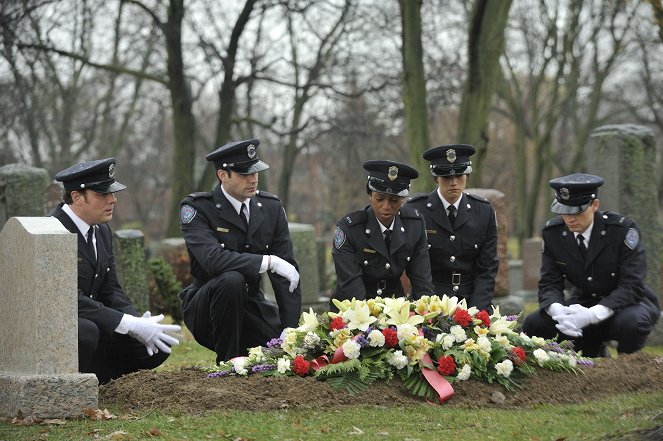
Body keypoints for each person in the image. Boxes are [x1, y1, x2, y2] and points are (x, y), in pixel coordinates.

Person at [51, 158, 180, 384]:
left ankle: (104, 381)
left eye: (112, 193)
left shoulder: (101, 230)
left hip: (94, 322)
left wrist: (137, 321)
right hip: (57, 329)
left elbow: (110, 290)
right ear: (76, 197)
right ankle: (68, 387)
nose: (113, 199)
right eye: (103, 194)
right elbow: (68, 300)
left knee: (158, 345)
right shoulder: (52, 232)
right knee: (86, 332)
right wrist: (126, 323)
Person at [179, 139, 301, 364]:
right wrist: (268, 262)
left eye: (255, 172)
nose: (253, 179)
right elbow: (213, 260)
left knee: (286, 354)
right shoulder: (197, 208)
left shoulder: (271, 208)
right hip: (208, 304)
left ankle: (245, 355)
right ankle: (227, 363)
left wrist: (289, 327)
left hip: (251, 303)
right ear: (223, 175)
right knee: (231, 280)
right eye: (244, 174)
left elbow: (287, 274)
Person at [522, 173, 660, 357]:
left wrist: (592, 315)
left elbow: (631, 285)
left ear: (594, 205)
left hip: (626, 304)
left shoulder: (622, 231)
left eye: (577, 212)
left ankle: (629, 370)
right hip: (583, 301)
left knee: (632, 322)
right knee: (534, 323)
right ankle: (591, 353)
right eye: (564, 211)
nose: (569, 219)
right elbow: (549, 283)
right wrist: (557, 309)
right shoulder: (553, 233)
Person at [403, 144, 498, 312]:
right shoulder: (416, 210)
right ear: (436, 178)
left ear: (467, 175)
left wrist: (477, 311)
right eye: (446, 176)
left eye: (459, 175)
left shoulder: (483, 211)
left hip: (473, 300)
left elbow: (487, 268)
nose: (454, 182)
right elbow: (415, 268)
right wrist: (430, 308)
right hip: (430, 301)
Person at [331, 160, 434, 305]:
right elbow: (351, 286)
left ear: (403, 200)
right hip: (353, 307)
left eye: (394, 200)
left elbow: (422, 280)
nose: (386, 206)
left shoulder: (414, 224)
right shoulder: (349, 228)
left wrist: (425, 313)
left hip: (395, 304)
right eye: (379, 198)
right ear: (370, 195)